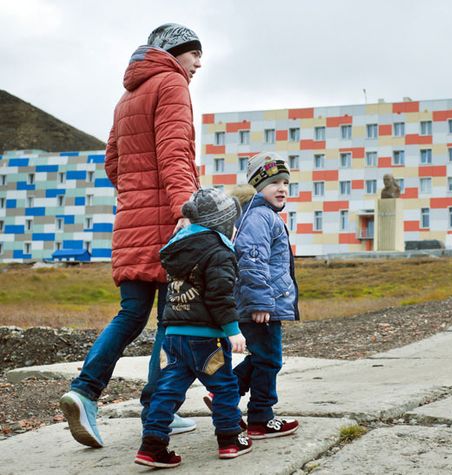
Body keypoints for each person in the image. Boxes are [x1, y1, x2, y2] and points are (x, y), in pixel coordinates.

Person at [60, 23, 202, 448]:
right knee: (171, 319)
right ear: (175, 52)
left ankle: (85, 391)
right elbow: (175, 152)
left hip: (131, 221)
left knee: (130, 314)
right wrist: (186, 209)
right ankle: (157, 408)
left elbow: (113, 164)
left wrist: (139, 194)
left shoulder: (127, 96)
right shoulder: (171, 83)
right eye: (194, 53)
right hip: (166, 223)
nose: (198, 63)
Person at [135, 188, 252, 468]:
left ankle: (152, 446)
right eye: (231, 222)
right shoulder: (219, 251)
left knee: (167, 390)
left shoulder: (177, 246)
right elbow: (220, 295)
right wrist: (233, 329)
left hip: (174, 336)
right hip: (206, 339)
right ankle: (229, 439)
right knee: (224, 387)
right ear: (222, 223)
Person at [204, 152, 300, 439]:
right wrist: (260, 302)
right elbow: (251, 260)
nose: (282, 188)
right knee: (270, 359)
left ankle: (223, 392)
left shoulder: (261, 215)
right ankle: (261, 415)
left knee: (262, 357)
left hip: (263, 302)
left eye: (285, 182)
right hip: (261, 305)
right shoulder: (260, 216)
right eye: (274, 183)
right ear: (258, 187)